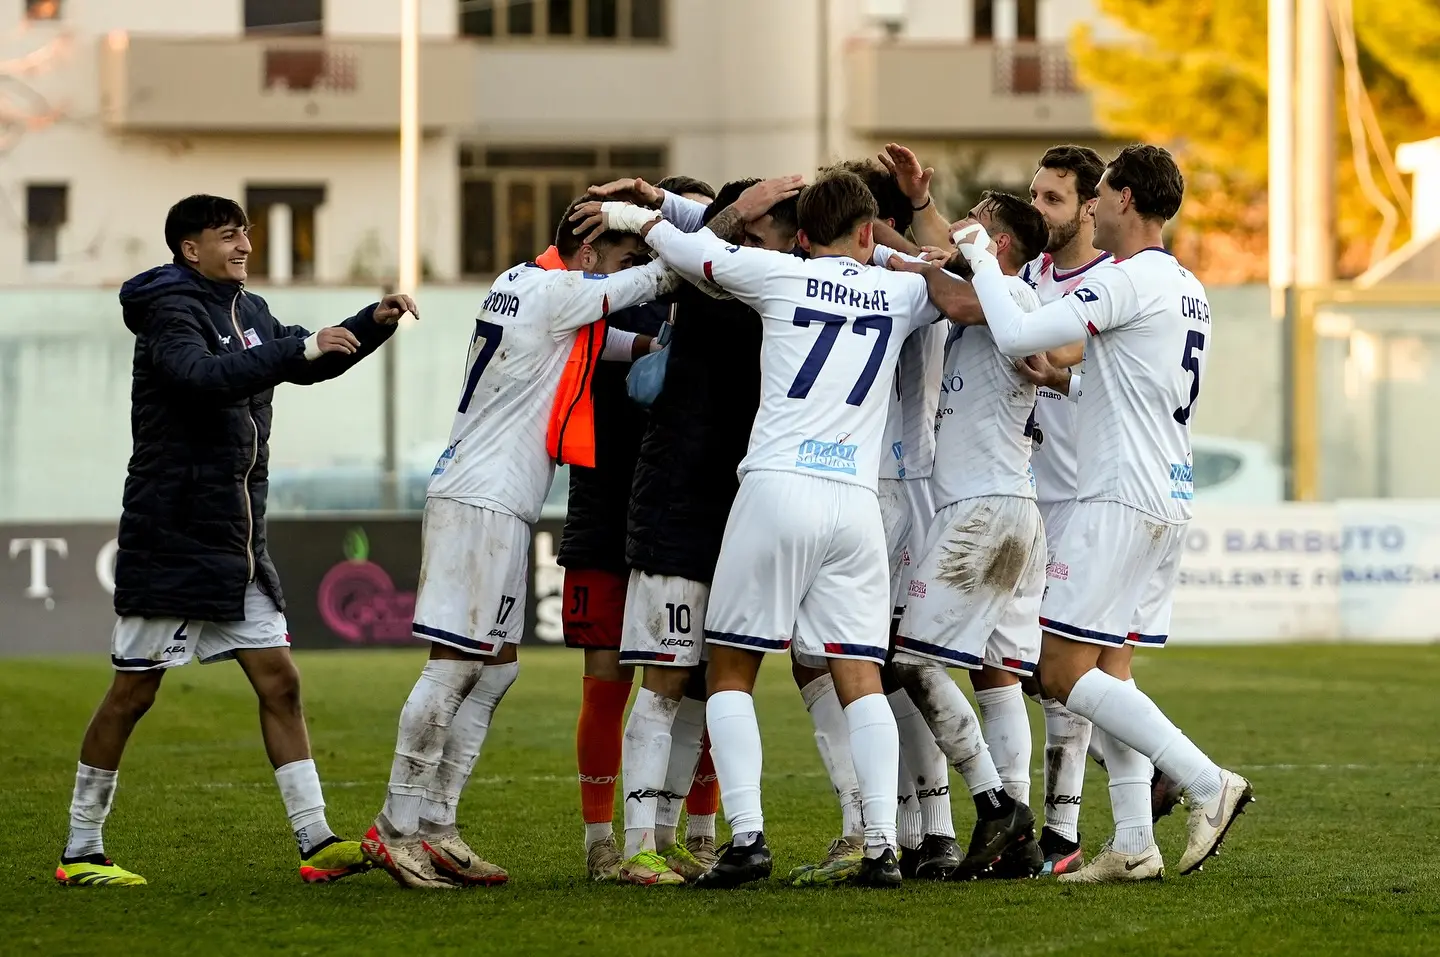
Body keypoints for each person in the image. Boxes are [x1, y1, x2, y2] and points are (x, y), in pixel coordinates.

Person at [894, 144, 1253, 884]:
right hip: (1165, 492)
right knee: (1109, 673)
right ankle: (1134, 842)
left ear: (1123, 200)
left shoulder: (1127, 277)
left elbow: (1019, 335)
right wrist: (1063, 382)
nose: (1095, 208)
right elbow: (1129, 382)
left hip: (1115, 497)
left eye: (1102, 194)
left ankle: (1204, 779)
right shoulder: (1186, 286)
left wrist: (978, 255)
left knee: (1057, 672)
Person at [594, 170, 946, 889]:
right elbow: (956, 286)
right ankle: (882, 844)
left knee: (730, 668)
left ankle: (748, 839)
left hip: (779, 488)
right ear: (867, 231)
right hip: (855, 502)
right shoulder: (901, 291)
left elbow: (692, 254)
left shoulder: (781, 275)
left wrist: (634, 216)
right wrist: (900, 252)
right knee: (859, 676)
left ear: (804, 236)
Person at [56, 194, 412, 887]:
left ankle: (316, 841)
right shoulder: (170, 310)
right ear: (191, 249)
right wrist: (299, 347)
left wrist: (370, 324)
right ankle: (81, 850)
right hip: (174, 535)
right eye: (229, 234)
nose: (245, 244)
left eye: (245, 232)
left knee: (281, 681)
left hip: (237, 543)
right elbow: (203, 378)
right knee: (133, 693)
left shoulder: (248, 310)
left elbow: (306, 358)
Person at [363, 199, 676, 889]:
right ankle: (394, 827)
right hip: (482, 499)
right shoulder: (562, 291)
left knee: (497, 668)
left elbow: (589, 342)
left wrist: (647, 349)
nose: (631, 271)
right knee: (454, 666)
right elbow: (660, 278)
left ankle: (437, 824)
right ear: (588, 253)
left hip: (490, 495)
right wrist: (708, 233)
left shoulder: (523, 281)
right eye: (622, 259)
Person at [603, 178, 802, 886]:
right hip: (677, 502)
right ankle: (636, 846)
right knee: (663, 678)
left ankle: (664, 836)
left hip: (736, 507)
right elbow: (696, 248)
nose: (785, 247)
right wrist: (732, 213)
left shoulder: (777, 292)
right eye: (773, 231)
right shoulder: (708, 280)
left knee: (700, 682)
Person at [886, 192, 1051, 880]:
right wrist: (915, 225)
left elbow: (954, 299)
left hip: (983, 511)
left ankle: (995, 805)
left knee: (913, 661)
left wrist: (889, 248)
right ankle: (1019, 840)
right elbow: (952, 283)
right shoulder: (995, 292)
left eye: (976, 218)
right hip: (1010, 506)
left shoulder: (1009, 294)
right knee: (998, 675)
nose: (961, 226)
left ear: (1000, 243)